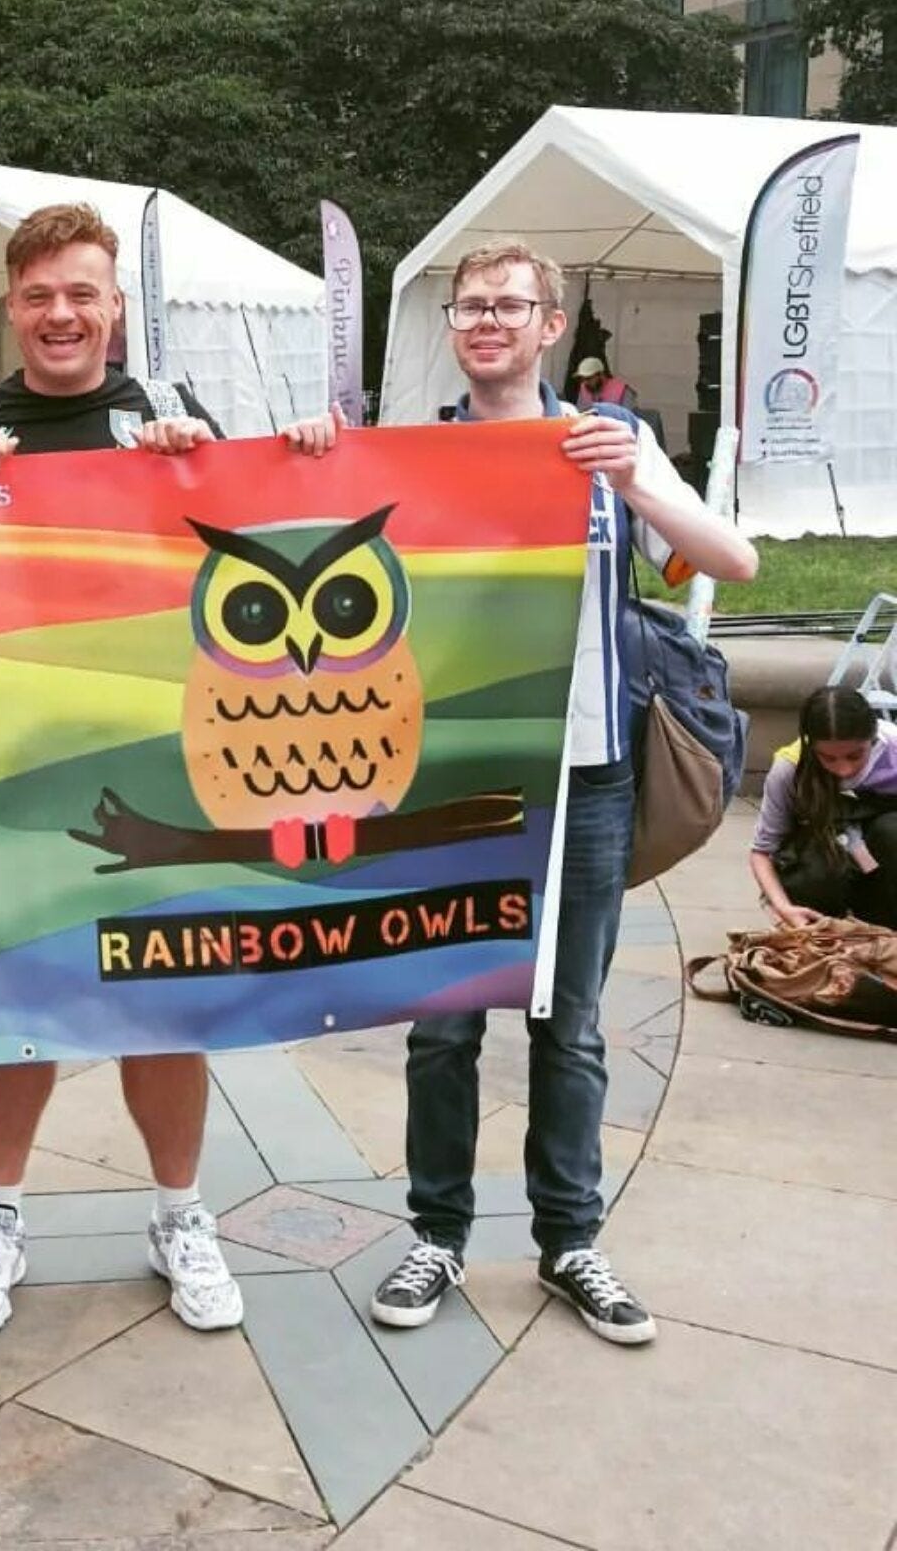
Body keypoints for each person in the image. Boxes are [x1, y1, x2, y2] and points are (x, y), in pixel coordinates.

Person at [286, 239, 757, 1347]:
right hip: (453, 781)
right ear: (453, 327)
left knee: (571, 1022)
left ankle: (569, 1240)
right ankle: (438, 1234)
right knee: (443, 1024)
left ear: (553, 325)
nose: (488, 322)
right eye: (470, 307)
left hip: (585, 777)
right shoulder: (412, 453)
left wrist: (634, 478)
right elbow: (299, 527)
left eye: (510, 306)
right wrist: (312, 452)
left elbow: (729, 562)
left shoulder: (607, 445)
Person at [0, 200, 246, 1338]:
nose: (62, 314)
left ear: (116, 309)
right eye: (41, 294)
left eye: (82, 294)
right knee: (21, 1004)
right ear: (12, 306)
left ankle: (180, 1213)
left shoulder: (168, 411)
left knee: (169, 997)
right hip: (9, 768)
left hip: (151, 761)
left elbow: (242, 554)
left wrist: (216, 469)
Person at [750, 686, 897, 930]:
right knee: (816, 874)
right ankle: (826, 932)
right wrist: (783, 907)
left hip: (884, 858)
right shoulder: (790, 769)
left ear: (872, 737)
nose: (843, 770)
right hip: (826, 857)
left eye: (854, 756)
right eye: (828, 758)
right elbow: (762, 852)